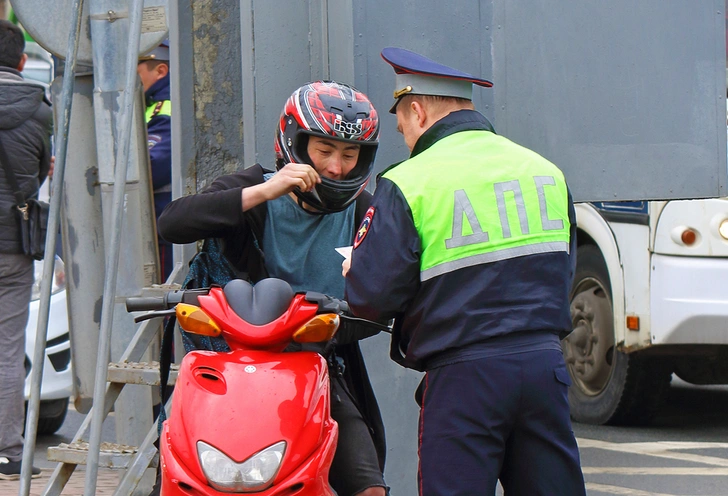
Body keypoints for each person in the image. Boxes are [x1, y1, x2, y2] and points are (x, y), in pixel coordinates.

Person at [343, 47, 586, 496]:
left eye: (402, 128)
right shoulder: (545, 171)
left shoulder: (409, 181)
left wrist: (355, 266)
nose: (405, 138)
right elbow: (560, 269)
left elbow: (369, 298)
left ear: (416, 110)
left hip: (464, 380)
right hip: (544, 367)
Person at [158, 81, 387, 496]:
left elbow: (379, 303)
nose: (336, 167)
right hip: (227, 369)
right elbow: (172, 223)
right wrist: (264, 191)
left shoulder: (365, 212)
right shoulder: (252, 188)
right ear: (294, 143)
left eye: (350, 155)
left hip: (312, 370)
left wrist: (330, 326)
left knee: (369, 486)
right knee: (184, 478)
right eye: (324, 151)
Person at [0, 19, 51, 480]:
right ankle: (10, 454)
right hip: (11, 244)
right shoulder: (39, 110)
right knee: (7, 348)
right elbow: (39, 175)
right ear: (20, 61)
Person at [138, 40, 173, 281]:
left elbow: (152, 166)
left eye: (137, 70)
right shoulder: (152, 104)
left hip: (162, 219)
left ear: (160, 71)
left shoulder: (165, 107)